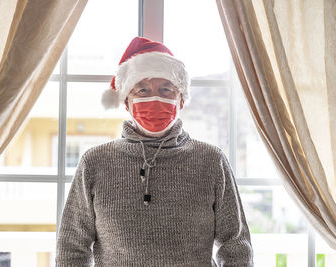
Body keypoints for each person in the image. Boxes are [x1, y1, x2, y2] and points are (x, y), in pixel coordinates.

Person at [56, 37, 254, 267]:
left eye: (166, 89)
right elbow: (72, 248)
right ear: (126, 101)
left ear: (181, 99)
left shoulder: (211, 161)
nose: (155, 98)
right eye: (142, 90)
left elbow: (236, 246)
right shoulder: (95, 162)